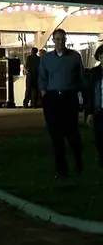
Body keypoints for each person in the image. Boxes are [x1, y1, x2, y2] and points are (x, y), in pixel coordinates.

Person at [39, 29, 86, 177]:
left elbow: (81, 78)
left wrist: (81, 96)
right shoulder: (46, 59)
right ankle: (61, 169)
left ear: (66, 40)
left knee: (71, 132)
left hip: (69, 97)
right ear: (53, 41)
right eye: (57, 39)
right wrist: (45, 94)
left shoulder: (74, 57)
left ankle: (78, 160)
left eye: (62, 39)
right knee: (55, 134)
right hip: (52, 98)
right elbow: (42, 78)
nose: (60, 42)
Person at [84, 44, 103, 169]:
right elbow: (90, 94)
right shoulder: (94, 73)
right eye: (101, 56)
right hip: (99, 109)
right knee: (100, 137)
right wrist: (89, 112)